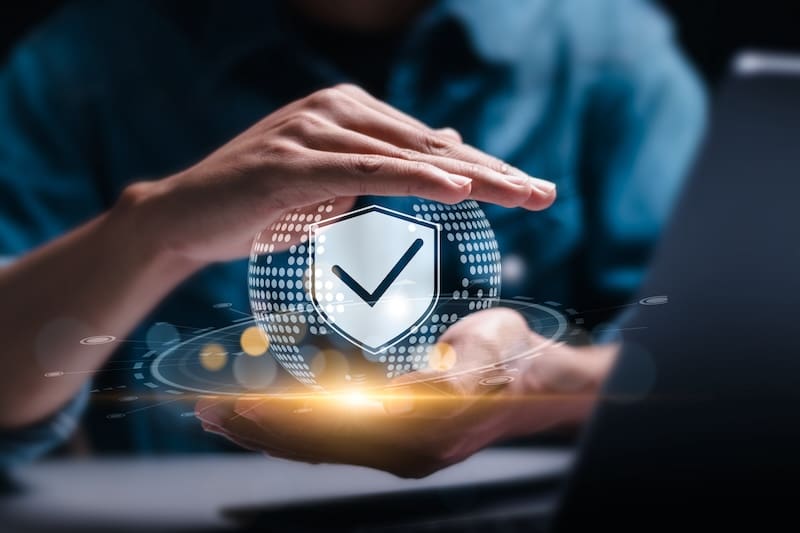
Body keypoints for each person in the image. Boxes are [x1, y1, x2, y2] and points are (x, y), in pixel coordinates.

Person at [0, 0, 705, 476]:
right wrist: (151, 230)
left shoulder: (612, 55)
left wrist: (545, 381)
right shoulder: (82, 68)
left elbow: (720, 366)